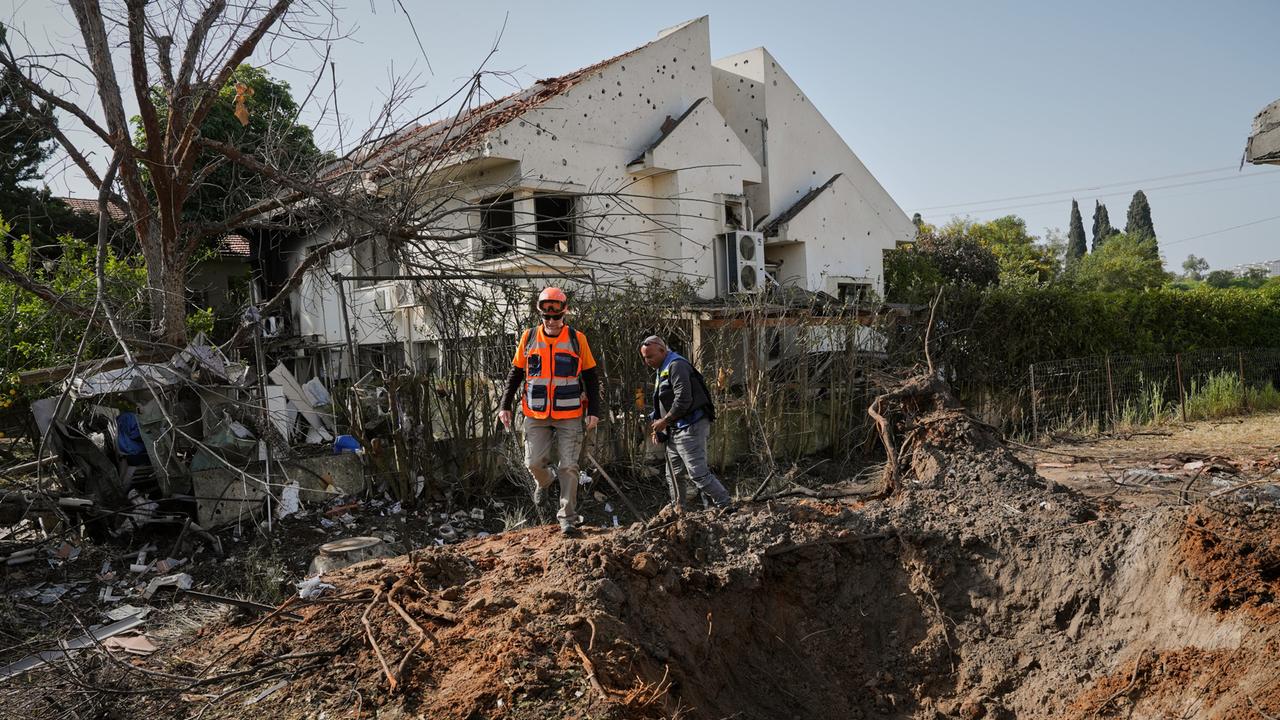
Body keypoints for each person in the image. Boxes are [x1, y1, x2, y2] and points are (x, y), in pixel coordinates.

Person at [499, 288, 601, 536]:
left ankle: (567, 517)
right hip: (535, 413)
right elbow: (516, 374)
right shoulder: (529, 337)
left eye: (556, 317)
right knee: (533, 462)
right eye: (547, 317)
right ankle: (545, 481)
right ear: (540, 315)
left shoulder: (578, 339)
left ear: (564, 313)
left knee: (569, 466)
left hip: (569, 413)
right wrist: (505, 405)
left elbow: (590, 376)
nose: (552, 322)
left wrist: (594, 411)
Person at [639, 336, 733, 511]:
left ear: (662, 349)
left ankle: (726, 505)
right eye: (645, 358)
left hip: (691, 426)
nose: (647, 361)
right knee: (673, 474)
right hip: (675, 428)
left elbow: (684, 400)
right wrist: (658, 424)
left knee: (698, 474)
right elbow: (664, 401)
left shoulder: (677, 366)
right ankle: (678, 508)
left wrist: (664, 421)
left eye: (650, 356)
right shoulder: (663, 368)